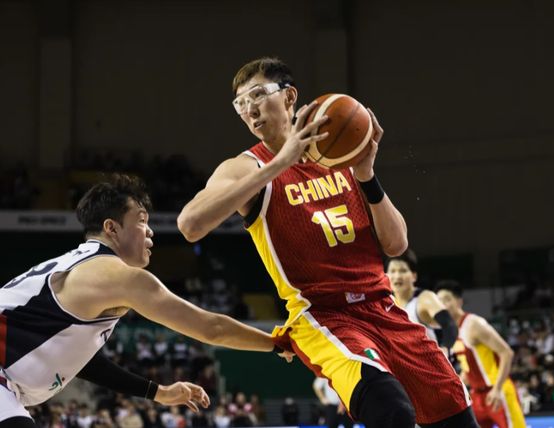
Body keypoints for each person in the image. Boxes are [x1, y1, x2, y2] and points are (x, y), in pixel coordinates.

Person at [178, 57, 476, 428]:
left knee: (456, 413)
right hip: (322, 314)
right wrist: (280, 163)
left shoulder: (339, 154)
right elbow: (190, 224)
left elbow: (397, 244)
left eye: (257, 95)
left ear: (289, 97)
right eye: (240, 103)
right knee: (390, 409)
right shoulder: (247, 167)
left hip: (383, 307)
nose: (249, 109)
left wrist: (366, 175)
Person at [0, 174, 288, 428]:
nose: (150, 231)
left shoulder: (79, 266)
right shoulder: (116, 276)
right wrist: (277, 343)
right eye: (141, 220)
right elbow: (211, 328)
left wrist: (158, 392)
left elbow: (79, 361)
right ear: (111, 228)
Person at [436, 281, 526, 428]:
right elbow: (468, 367)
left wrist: (497, 389)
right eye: (439, 301)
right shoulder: (451, 331)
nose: (442, 305)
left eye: (447, 299)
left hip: (497, 391)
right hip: (477, 395)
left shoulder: (473, 324)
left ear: (459, 302)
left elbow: (506, 353)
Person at [386, 248, 458, 354]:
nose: (397, 276)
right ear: (386, 276)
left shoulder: (424, 298)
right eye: (393, 271)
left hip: (432, 361)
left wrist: (445, 348)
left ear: (414, 276)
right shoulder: (386, 304)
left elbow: (449, 324)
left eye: (403, 271)